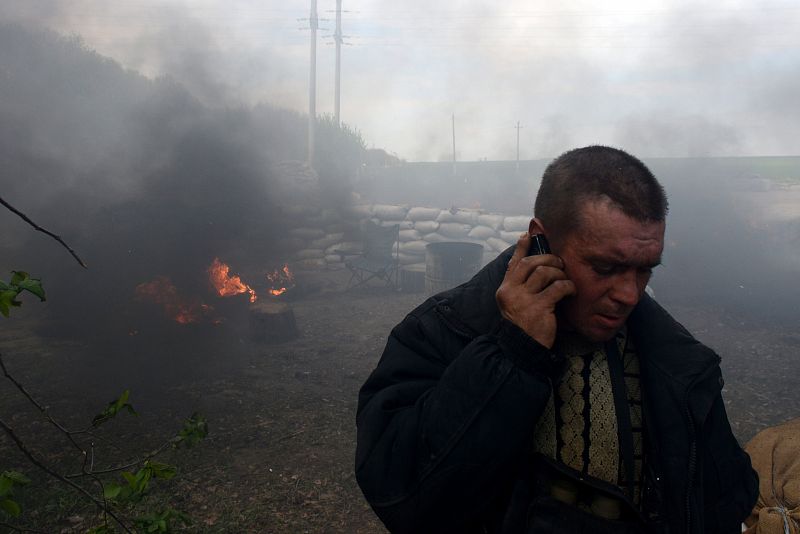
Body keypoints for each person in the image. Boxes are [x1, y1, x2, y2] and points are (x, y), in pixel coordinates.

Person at [355, 145, 758, 533]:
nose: (629, 295)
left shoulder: (677, 360)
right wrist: (512, 353)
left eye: (644, 270)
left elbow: (721, 500)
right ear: (540, 240)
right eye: (605, 267)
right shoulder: (444, 330)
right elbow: (403, 499)